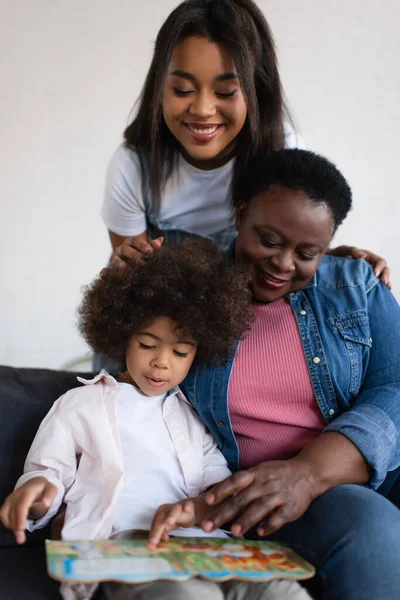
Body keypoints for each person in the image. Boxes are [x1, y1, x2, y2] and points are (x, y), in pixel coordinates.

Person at [118, 149, 400, 600]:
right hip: (211, 496)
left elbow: (396, 389)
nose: (284, 264)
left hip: (326, 491)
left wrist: (305, 474)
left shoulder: (354, 286)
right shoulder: (187, 274)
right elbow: (126, 369)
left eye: (307, 252)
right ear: (241, 212)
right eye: (269, 241)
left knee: (374, 530)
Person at [0, 239, 311, 600]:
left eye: (180, 352)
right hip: (124, 547)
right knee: (188, 597)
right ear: (120, 335)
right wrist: (36, 491)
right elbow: (47, 472)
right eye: (148, 345)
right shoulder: (80, 404)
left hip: (204, 546)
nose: (162, 362)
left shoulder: (190, 416)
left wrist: (194, 510)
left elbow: (218, 490)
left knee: (283, 592)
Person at [102, 0, 390, 287]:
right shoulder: (133, 167)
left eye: (226, 92)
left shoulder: (282, 149)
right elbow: (138, 289)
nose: (202, 109)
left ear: (258, 91)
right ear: (159, 88)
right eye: (183, 89)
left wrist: (331, 261)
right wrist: (126, 268)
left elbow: (290, 256)